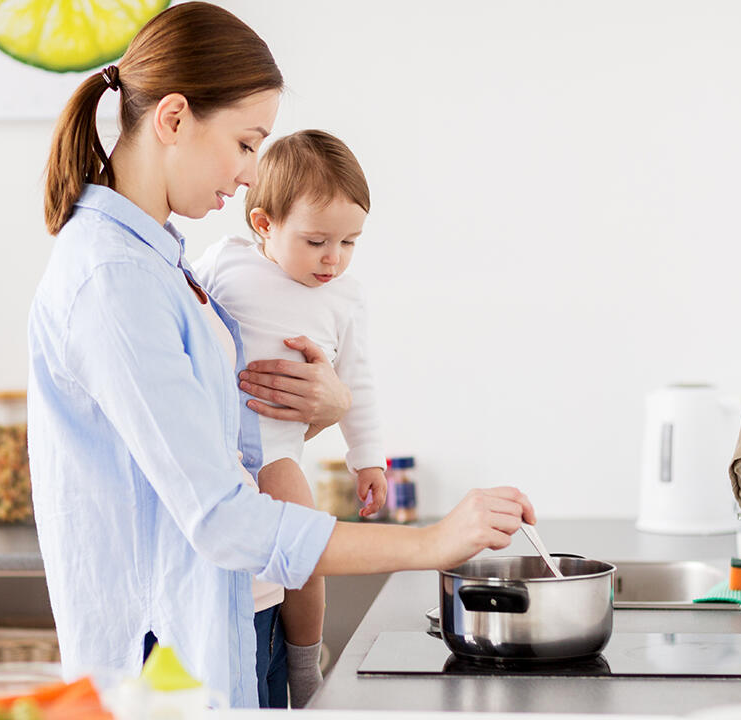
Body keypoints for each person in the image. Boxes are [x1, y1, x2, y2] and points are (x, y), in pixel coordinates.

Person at [27, 1, 537, 709]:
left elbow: (214, 440)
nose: (247, 175)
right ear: (173, 120)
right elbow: (222, 517)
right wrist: (427, 544)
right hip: (165, 664)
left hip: (245, 613)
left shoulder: (164, 264)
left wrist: (332, 410)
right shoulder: (113, 281)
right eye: (244, 143)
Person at [191, 129, 386, 707]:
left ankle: (305, 661)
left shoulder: (344, 299)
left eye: (350, 242)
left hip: (275, 449)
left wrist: (367, 459)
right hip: (217, 448)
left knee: (305, 545)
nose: (334, 258)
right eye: (317, 240)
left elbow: (358, 383)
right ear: (263, 225)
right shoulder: (224, 262)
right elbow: (185, 314)